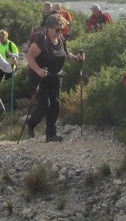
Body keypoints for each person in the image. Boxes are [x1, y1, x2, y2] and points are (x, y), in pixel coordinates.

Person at [24, 13, 84, 142]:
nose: (59, 32)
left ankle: (51, 134)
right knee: (45, 104)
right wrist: (38, 70)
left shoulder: (61, 39)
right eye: (57, 30)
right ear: (49, 28)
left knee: (55, 104)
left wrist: (75, 58)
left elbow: (65, 53)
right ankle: (31, 124)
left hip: (55, 76)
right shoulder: (41, 40)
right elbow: (29, 57)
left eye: (61, 29)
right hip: (40, 77)